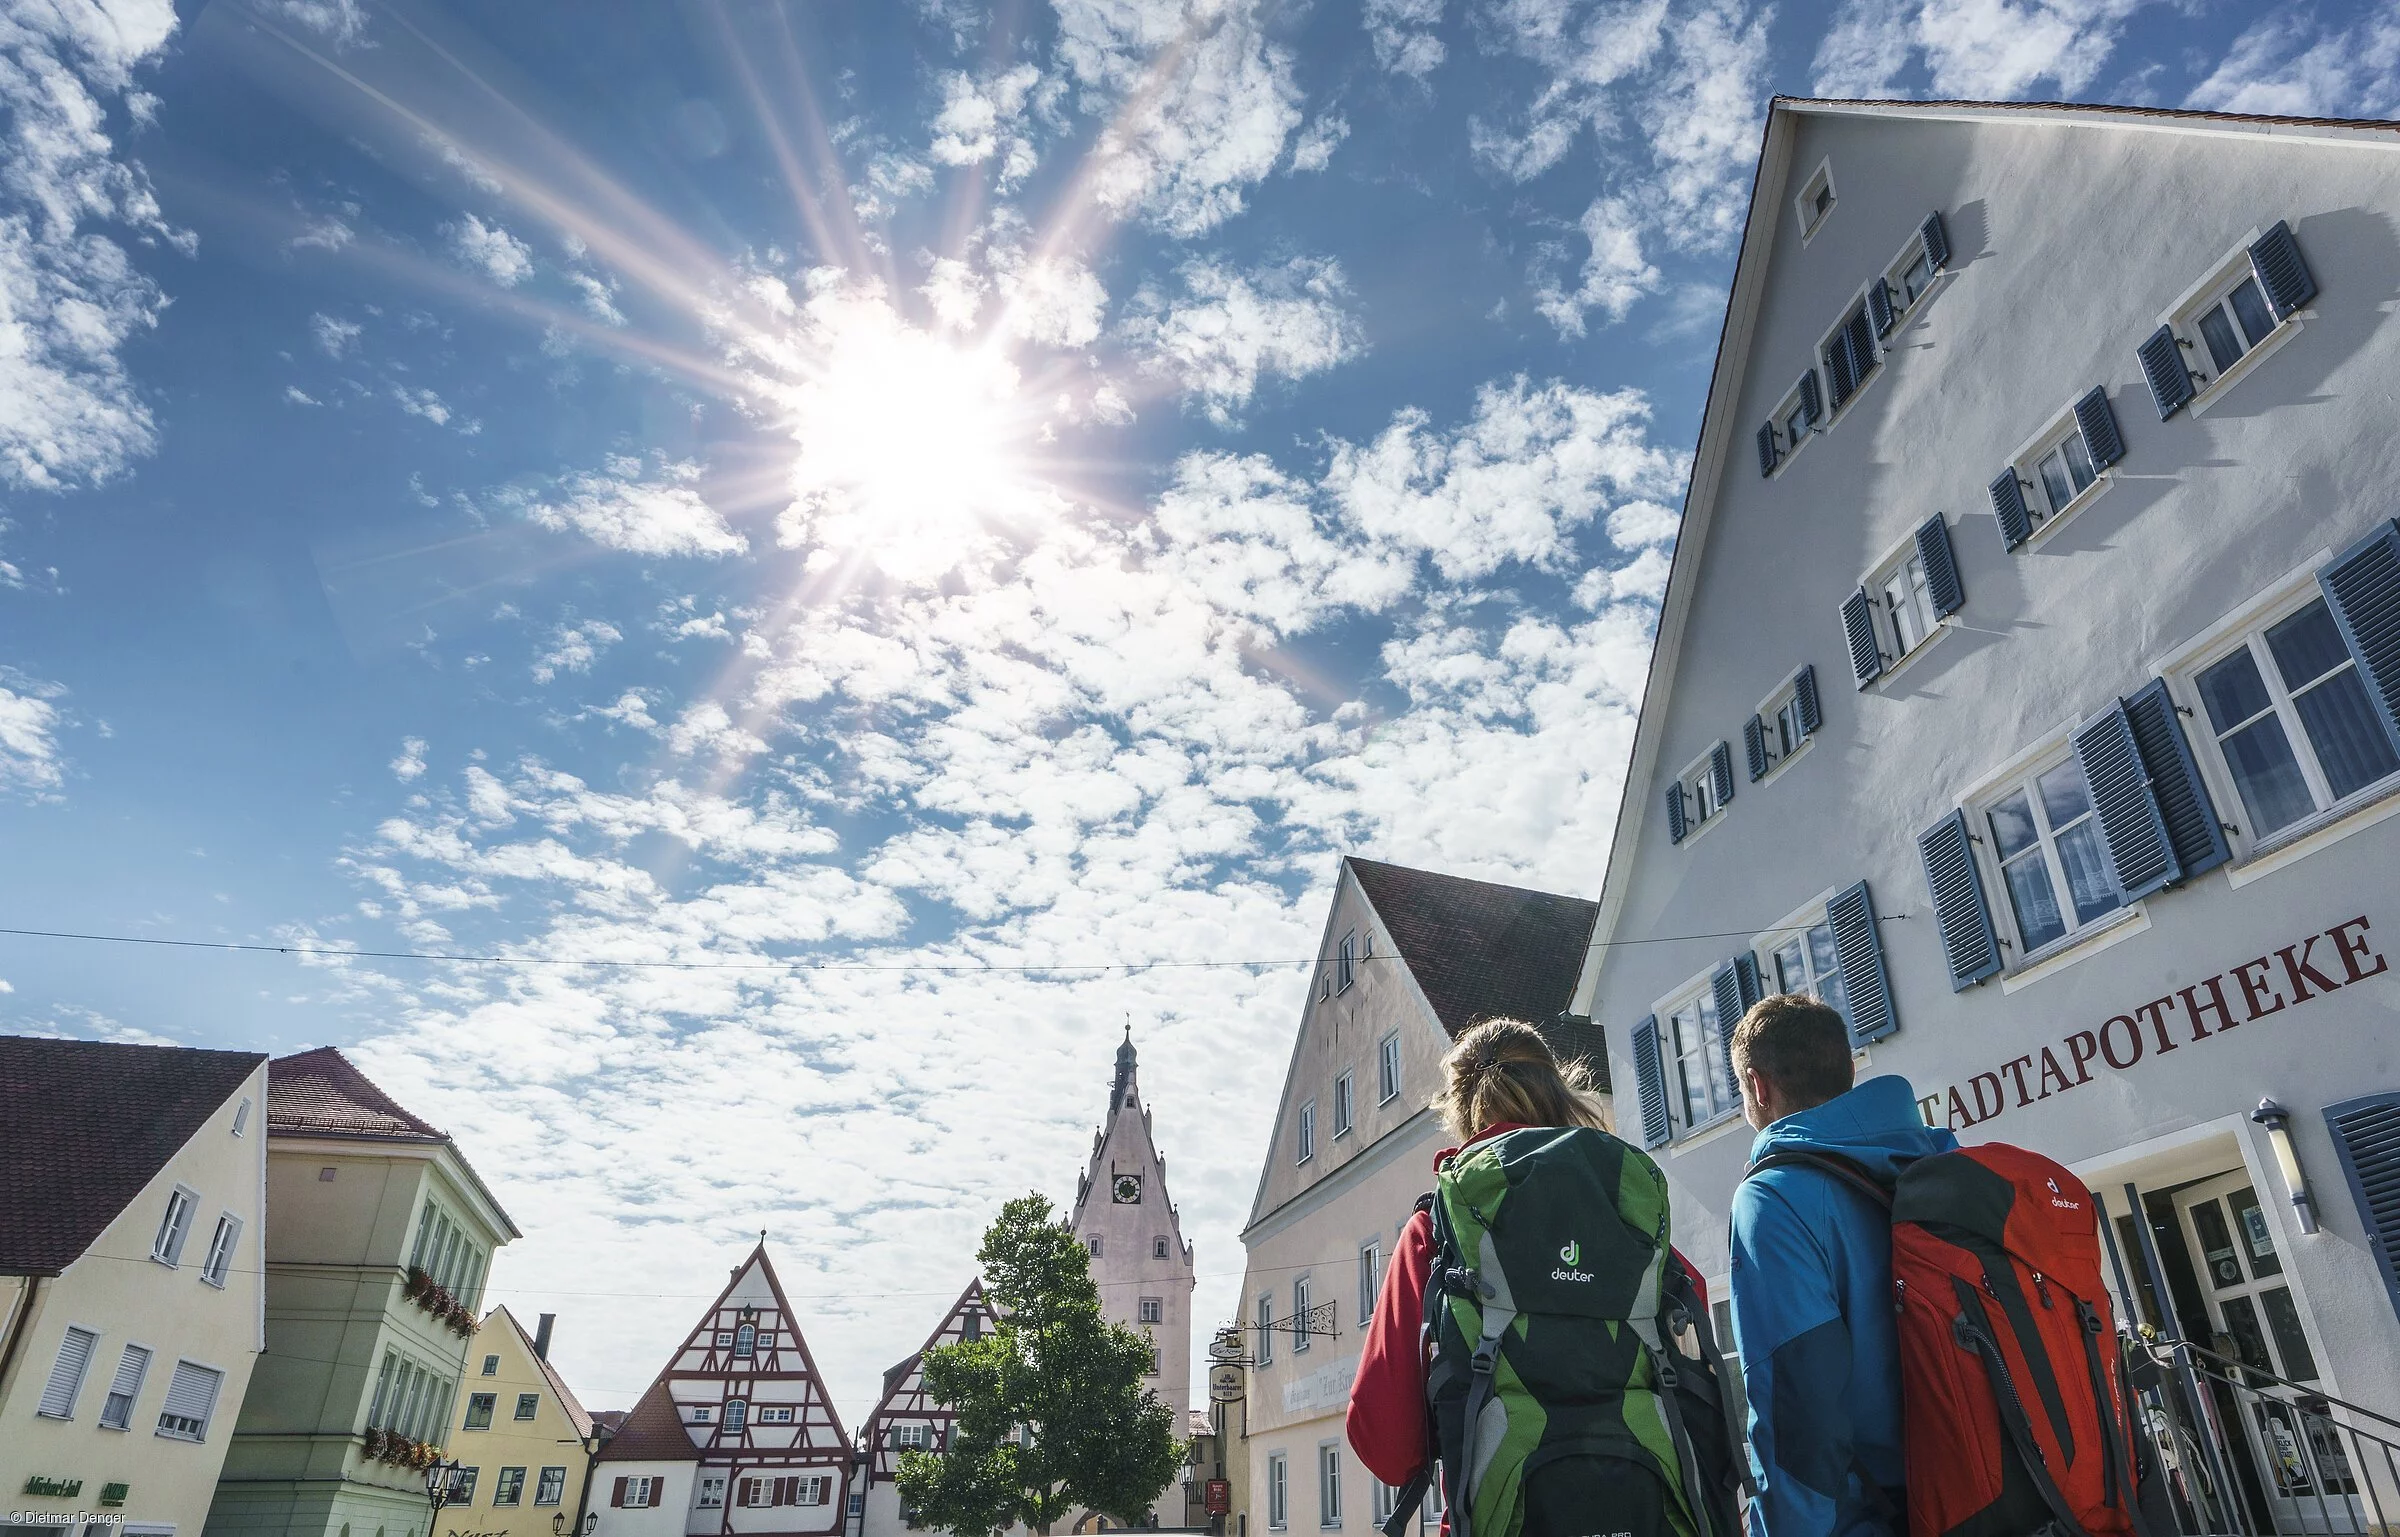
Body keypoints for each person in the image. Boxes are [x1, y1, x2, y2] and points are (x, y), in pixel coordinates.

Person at [1349, 1018, 1711, 1537]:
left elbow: (1383, 1439)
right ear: (1560, 1091)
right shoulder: (1625, 1208)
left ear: (1462, 1109)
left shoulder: (1437, 1232)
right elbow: (1695, 1343)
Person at [1727, 993, 1956, 1537]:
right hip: (1999, 1495)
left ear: (1757, 1086)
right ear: (1849, 1069)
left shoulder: (1774, 1197)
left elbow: (1799, 1413)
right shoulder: (1944, 1164)